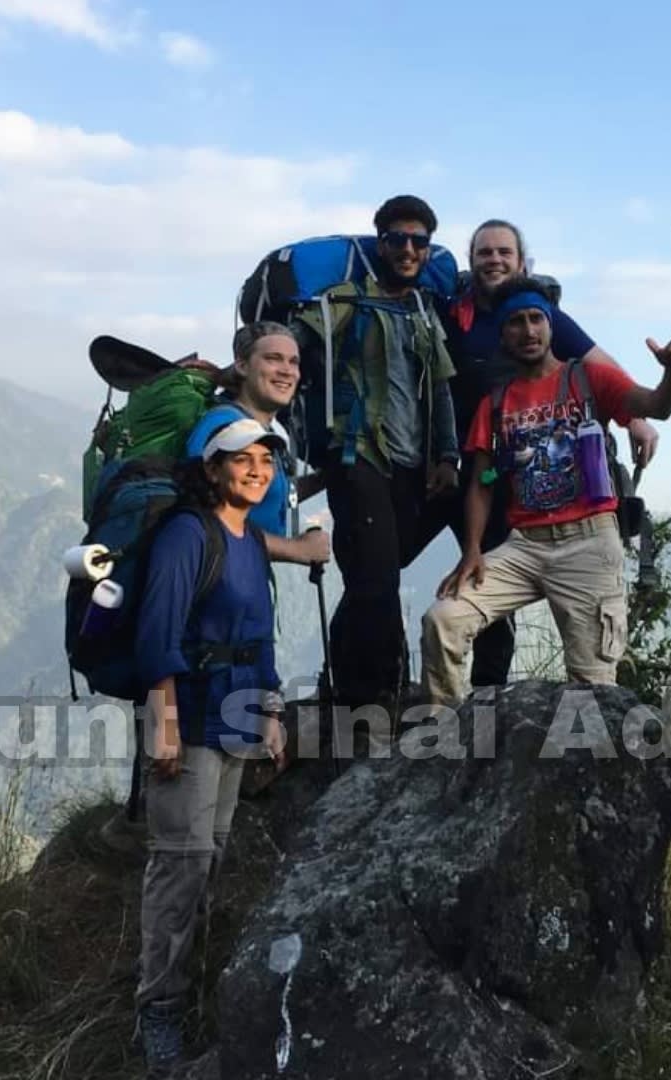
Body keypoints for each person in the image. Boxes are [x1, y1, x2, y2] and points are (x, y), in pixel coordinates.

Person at [420, 277, 671, 706]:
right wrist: (472, 549)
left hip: (588, 542)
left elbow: (655, 406)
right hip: (523, 545)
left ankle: (592, 769)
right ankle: (445, 739)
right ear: (502, 334)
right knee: (444, 618)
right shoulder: (496, 402)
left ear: (550, 326)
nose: (528, 331)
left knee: (593, 690)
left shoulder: (588, 379)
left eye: (536, 319)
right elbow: (481, 481)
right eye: (515, 322)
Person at [131, 416, 289, 1071]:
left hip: (237, 717)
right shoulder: (185, 535)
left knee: (211, 858)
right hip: (187, 719)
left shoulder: (249, 539)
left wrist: (272, 709)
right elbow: (156, 632)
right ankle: (156, 1014)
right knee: (181, 864)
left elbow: (261, 634)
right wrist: (162, 720)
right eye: (241, 459)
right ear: (213, 469)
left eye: (265, 460)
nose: (256, 469)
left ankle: (190, 991)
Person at [300, 194, 460, 714]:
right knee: (378, 577)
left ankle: (347, 679)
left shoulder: (422, 310)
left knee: (374, 572)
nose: (409, 249)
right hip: (358, 454)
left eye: (419, 241)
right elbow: (294, 338)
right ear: (382, 243)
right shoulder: (346, 300)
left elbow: (439, 389)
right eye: (398, 239)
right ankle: (369, 696)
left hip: (413, 465)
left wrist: (448, 457)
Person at [185, 321, 330, 565]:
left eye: (293, 362)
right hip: (216, 589)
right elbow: (203, 520)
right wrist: (295, 549)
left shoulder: (265, 430)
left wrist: (324, 479)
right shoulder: (223, 427)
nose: (287, 371)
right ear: (242, 365)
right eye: (273, 359)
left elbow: (268, 492)